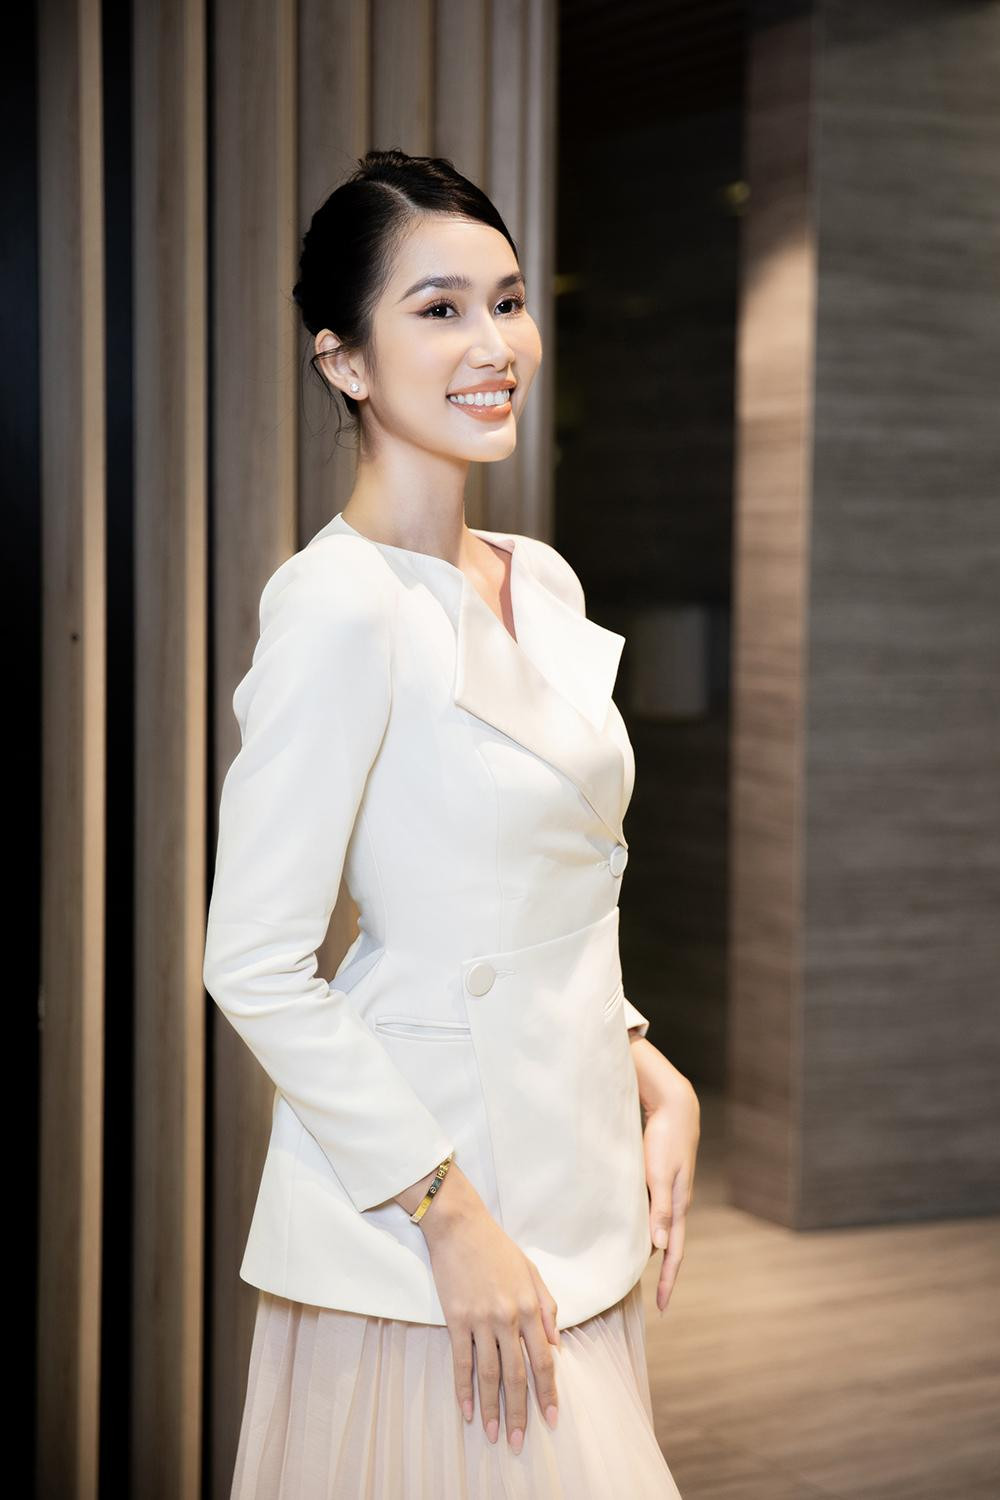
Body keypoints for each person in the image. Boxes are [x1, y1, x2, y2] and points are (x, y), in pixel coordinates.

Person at [203, 147, 700, 1498]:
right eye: (438, 310)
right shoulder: (336, 606)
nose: (494, 345)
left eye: (509, 301)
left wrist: (644, 1058)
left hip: (572, 1178)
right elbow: (253, 963)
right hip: (428, 1236)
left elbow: (537, 888)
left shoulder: (539, 579)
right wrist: (447, 1214)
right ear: (344, 361)